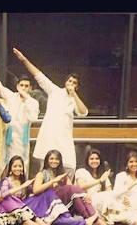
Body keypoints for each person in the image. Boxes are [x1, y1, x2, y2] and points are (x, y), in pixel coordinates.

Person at [13, 47, 88, 179]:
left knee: (68, 166)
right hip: (49, 136)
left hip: (64, 138)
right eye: (69, 81)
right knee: (45, 167)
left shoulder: (74, 99)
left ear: (77, 86)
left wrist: (74, 94)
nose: (71, 83)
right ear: (65, 82)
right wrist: (24, 60)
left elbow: (83, 112)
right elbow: (38, 75)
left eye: (74, 83)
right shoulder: (54, 91)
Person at [27, 150, 111, 225]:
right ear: (47, 160)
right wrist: (53, 181)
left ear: (60, 161)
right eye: (51, 159)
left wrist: (84, 195)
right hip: (47, 202)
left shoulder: (62, 174)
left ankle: (92, 218)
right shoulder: (41, 174)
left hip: (62, 203)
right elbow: (35, 190)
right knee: (72, 189)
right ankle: (93, 217)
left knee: (76, 192)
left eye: (57, 159)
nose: (54, 161)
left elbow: (74, 190)